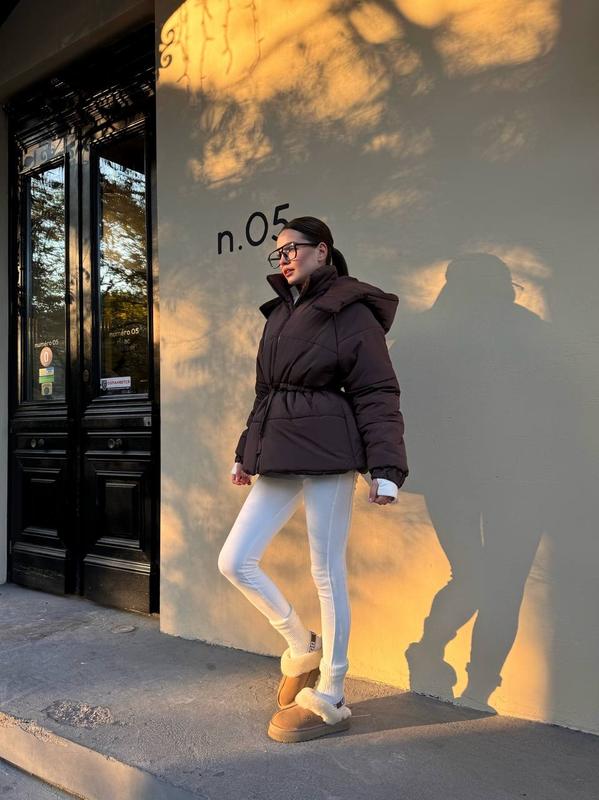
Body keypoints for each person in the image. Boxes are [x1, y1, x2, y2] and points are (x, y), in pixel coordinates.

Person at [218, 216, 408, 743]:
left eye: (292, 249)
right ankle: (302, 646)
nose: (284, 258)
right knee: (235, 560)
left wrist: (386, 469)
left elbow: (376, 391)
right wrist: (245, 452)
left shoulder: (351, 309)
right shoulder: (280, 312)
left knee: (326, 572)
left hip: (329, 452)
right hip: (279, 450)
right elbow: (266, 393)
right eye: (277, 253)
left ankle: (332, 693)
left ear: (322, 250)